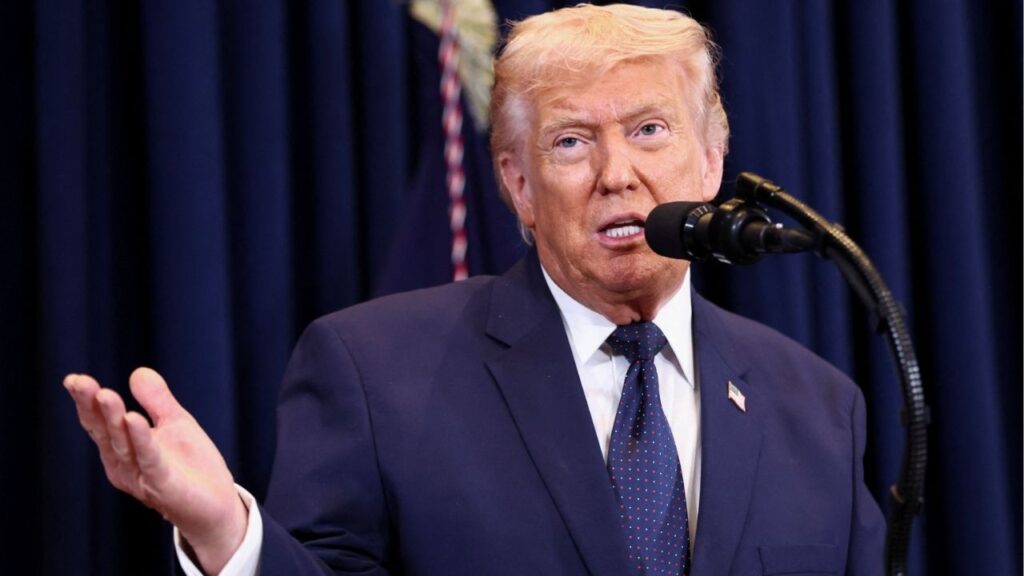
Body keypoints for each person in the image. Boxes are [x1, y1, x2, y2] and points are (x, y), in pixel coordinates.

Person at [64, 4, 885, 575]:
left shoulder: (817, 405)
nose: (617, 176)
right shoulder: (373, 371)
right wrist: (226, 533)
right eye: (571, 142)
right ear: (518, 187)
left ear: (711, 163)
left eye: (649, 130)